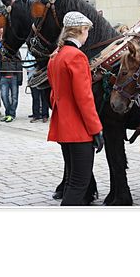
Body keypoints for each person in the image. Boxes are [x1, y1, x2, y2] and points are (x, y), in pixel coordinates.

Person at [47, 11, 104, 206]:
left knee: (72, 179)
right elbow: (85, 98)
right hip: (79, 129)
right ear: (82, 30)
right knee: (80, 182)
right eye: (87, 30)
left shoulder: (56, 56)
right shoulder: (76, 56)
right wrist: (96, 129)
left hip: (64, 126)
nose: (87, 34)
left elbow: (53, 94)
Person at [0, 44, 23, 123]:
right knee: (4, 96)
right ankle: (8, 113)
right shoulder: (1, 50)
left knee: (14, 98)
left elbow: (19, 65)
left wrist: (20, 79)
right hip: (3, 77)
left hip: (14, 77)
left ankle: (11, 114)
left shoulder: (16, 50)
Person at [25, 49, 50, 123]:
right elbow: (27, 65)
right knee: (35, 98)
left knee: (44, 97)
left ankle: (45, 115)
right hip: (32, 78)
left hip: (42, 78)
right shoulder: (29, 54)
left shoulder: (44, 52)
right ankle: (36, 115)